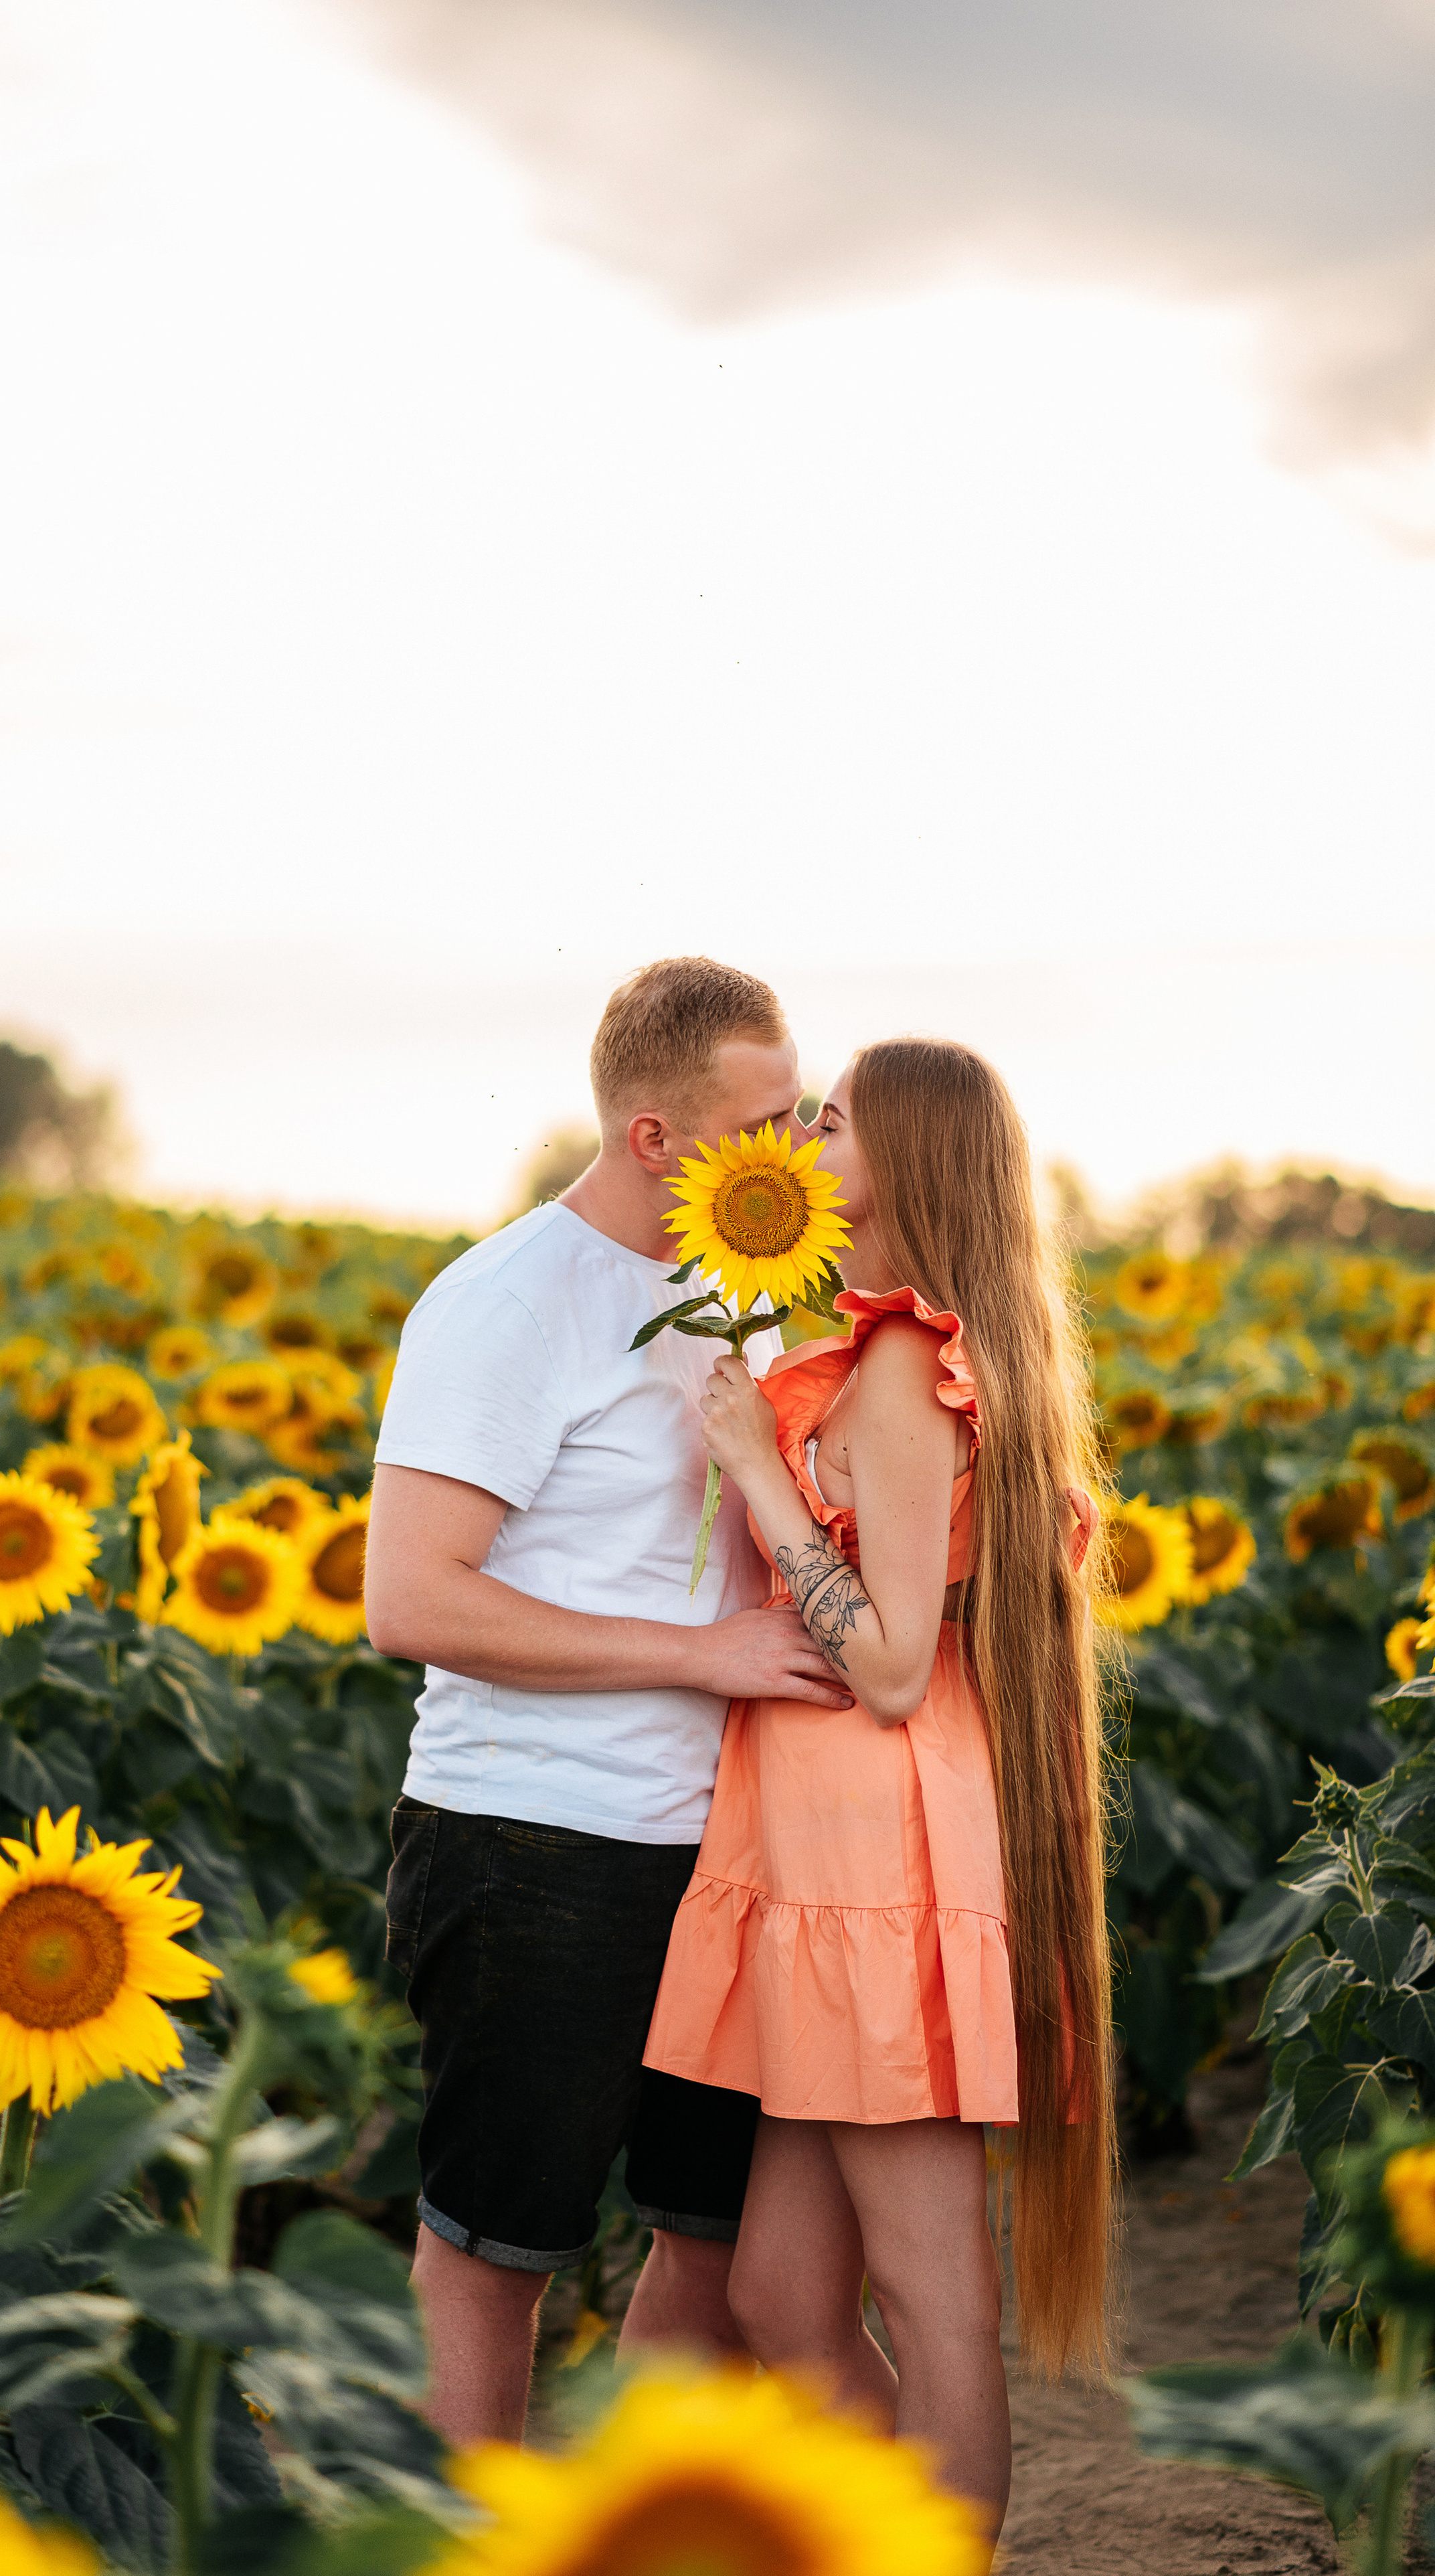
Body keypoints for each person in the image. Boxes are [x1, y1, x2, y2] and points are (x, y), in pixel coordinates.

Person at [363, 957, 853, 2447]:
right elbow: (412, 1600)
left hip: (726, 1843)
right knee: (495, 2253)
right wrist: (696, 1658)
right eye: (762, 1118)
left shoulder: (745, 1292)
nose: (793, 1145)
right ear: (654, 1138)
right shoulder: (512, 1299)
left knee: (711, 2240)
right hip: (534, 1838)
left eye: (800, 1108)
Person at [643, 1035, 1115, 2547]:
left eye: (831, 1121)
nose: (801, 1142)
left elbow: (897, 1664)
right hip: (819, 1858)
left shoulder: (910, 1361)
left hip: (884, 1861)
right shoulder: (864, 1345)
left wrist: (759, 1475)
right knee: (780, 2290)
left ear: (904, 1161)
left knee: (929, 2291)